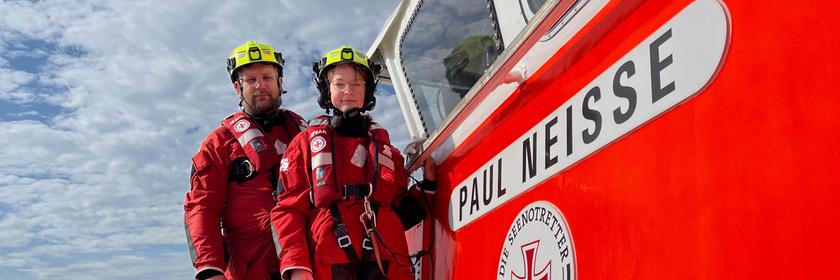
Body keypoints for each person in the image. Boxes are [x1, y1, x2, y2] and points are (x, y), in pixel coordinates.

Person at [271, 46, 436, 280]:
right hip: (330, 260)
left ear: (368, 91)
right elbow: (287, 210)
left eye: (356, 84)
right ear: (326, 90)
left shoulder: (387, 151)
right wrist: (296, 265)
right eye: (339, 84)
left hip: (387, 258)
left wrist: (428, 187)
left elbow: (402, 212)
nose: (348, 91)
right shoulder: (304, 144)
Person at [184, 40, 307, 280]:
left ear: (280, 82)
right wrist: (210, 270)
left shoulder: (306, 136)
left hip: (307, 268)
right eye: (251, 80)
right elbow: (201, 207)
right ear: (237, 88)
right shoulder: (217, 144)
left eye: (267, 77)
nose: (260, 86)